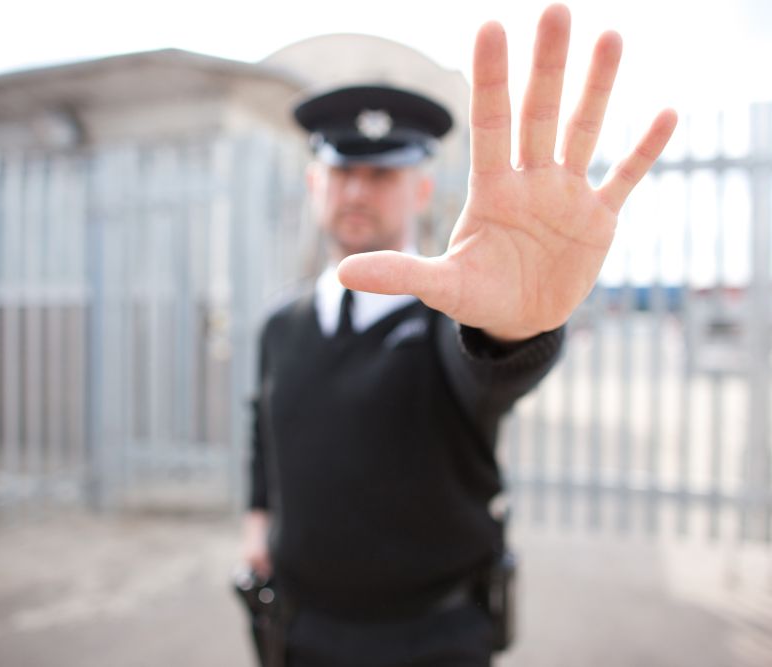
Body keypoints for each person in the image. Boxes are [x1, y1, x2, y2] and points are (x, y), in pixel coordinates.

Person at [242, 4, 677, 666]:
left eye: (382, 172)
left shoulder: (449, 321)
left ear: (421, 188)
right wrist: (258, 514)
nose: (358, 189)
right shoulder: (281, 325)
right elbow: (263, 424)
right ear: (313, 183)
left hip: (435, 638)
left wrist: (516, 321)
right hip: (302, 631)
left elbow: (491, 365)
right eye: (342, 171)